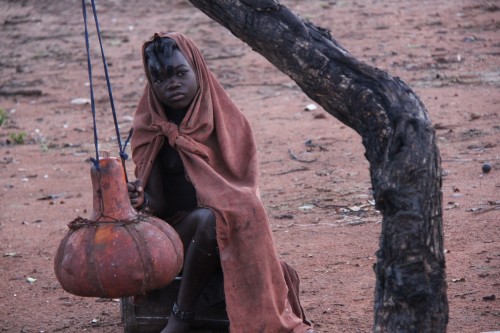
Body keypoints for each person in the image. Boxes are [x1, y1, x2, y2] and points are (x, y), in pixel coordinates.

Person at [128, 32, 316, 333]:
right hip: (177, 233)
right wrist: (141, 199)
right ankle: (182, 316)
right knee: (208, 219)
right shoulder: (151, 127)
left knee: (227, 214)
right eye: (160, 78)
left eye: (179, 73)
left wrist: (227, 207)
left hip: (229, 225)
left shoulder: (228, 121)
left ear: (197, 70)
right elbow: (158, 204)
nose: (171, 83)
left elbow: (243, 188)